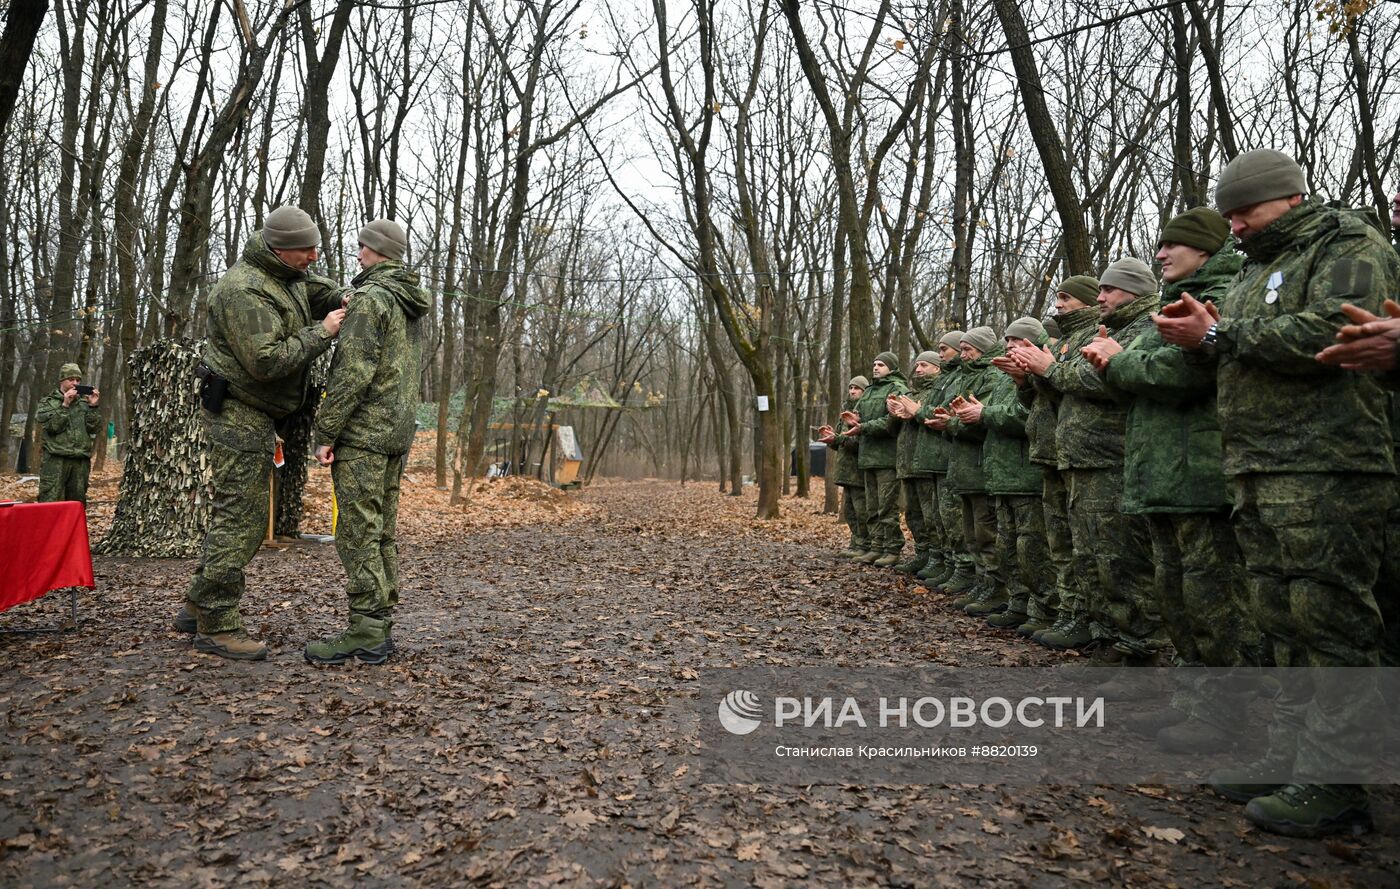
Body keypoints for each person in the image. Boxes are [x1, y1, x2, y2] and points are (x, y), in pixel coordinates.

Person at [1157, 149, 1400, 837]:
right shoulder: (1259, 264)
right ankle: (1291, 753)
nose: (1234, 223)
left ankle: (1338, 774)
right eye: (1228, 212)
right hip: (1259, 465)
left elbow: (1337, 327)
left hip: (1331, 464)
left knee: (1331, 621)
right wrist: (1205, 339)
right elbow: (1230, 345)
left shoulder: (1348, 243)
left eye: (1247, 209)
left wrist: (1222, 334)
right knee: (1280, 617)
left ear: (1290, 197)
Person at [1082, 207, 1251, 750]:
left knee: (1212, 601)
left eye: (1172, 245)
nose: (1160, 254)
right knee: (1176, 597)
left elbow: (1183, 373)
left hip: (1201, 474)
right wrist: (1115, 365)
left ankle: (1222, 715)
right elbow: (1138, 380)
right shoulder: (1174, 303)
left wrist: (1117, 361)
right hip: (1163, 473)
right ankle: (1189, 701)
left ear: (1203, 249)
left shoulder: (1218, 296)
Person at [175, 206, 348, 660]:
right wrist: (323, 332)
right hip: (237, 410)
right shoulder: (243, 290)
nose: (313, 255)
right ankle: (216, 624)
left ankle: (197, 604)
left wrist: (344, 297)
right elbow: (266, 361)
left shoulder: (282, 273)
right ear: (279, 248)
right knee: (243, 519)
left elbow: (311, 288)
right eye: (305, 250)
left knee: (240, 516)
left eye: (314, 247)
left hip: (258, 411)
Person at [1009, 261, 1161, 658]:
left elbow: (1106, 379)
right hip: (1075, 458)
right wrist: (1033, 378)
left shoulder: (1142, 328)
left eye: (1109, 289)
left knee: (1120, 562)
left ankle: (1137, 650)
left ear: (1133, 290)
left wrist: (1050, 369)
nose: (1101, 297)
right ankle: (1105, 638)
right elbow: (1054, 396)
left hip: (1110, 458)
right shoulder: (1085, 336)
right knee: (1088, 556)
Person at [307, 219, 428, 665]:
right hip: (395, 431)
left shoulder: (373, 299)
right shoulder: (406, 300)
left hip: (363, 434)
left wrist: (326, 433)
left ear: (379, 252)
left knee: (357, 531)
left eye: (363, 247)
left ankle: (366, 629)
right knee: (380, 532)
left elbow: (352, 374)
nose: (357, 255)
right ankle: (379, 622)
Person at [995, 278, 1099, 642]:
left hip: (1080, 456)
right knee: (1058, 544)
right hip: (1052, 454)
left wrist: (1045, 371)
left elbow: (1084, 388)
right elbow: (1037, 406)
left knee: (1077, 546)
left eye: (1065, 298)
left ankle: (1078, 616)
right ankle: (1067, 614)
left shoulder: (1081, 341)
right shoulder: (1066, 346)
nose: (1057, 305)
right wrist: (1026, 383)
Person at [968, 318, 1053, 630]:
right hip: (1002, 475)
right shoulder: (1007, 378)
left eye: (1018, 341)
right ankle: (1018, 603)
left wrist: (984, 413)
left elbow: (1025, 417)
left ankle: (1043, 610)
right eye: (1008, 342)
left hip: (1026, 475)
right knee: (1007, 547)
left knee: (1032, 549)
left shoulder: (1038, 374)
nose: (1011, 347)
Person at [935, 326, 1004, 612]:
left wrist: (952, 422)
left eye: (968, 349)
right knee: (972, 535)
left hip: (981, 468)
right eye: (961, 349)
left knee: (987, 534)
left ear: (984, 348)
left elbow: (980, 422)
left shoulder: (992, 375)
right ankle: (981, 583)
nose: (963, 354)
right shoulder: (966, 376)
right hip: (964, 468)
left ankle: (996, 588)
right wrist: (950, 420)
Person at [839, 352, 908, 567]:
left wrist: (863, 426)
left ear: (892, 367)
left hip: (886, 458)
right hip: (867, 457)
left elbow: (891, 423)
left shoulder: (897, 389)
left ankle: (892, 548)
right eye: (874, 364)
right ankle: (876, 547)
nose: (876, 368)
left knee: (887, 508)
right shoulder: (868, 392)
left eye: (881, 365)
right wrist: (853, 421)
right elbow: (859, 417)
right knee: (873, 507)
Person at [913, 332, 967, 587]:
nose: (941, 352)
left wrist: (915, 410)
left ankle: (961, 568)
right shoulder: (947, 379)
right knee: (937, 517)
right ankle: (946, 562)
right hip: (932, 458)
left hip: (946, 458)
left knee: (953, 519)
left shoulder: (956, 379)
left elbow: (941, 412)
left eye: (945, 349)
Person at [887, 353, 942, 575]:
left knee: (931, 517)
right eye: (917, 364)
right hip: (907, 463)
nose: (918, 369)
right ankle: (922, 554)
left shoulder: (937, 392)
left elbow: (934, 420)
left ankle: (937, 559)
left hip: (927, 464)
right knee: (913, 515)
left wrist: (916, 412)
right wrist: (893, 413)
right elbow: (893, 430)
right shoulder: (909, 394)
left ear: (937, 368)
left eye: (924, 365)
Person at [818, 376, 870, 559]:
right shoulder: (846, 412)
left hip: (859, 470)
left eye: (857, 388)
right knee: (849, 511)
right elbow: (841, 442)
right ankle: (856, 542)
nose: (853, 391)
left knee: (861, 510)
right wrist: (831, 438)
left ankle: (865, 543)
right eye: (851, 387)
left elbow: (860, 442)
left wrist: (839, 439)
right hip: (846, 470)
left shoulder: (864, 412)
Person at [35, 362, 100, 504]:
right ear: (61, 380)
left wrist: (93, 406)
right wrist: (65, 405)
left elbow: (94, 429)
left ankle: (73, 527)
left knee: (76, 504)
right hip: (55, 459)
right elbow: (53, 427)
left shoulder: (84, 404)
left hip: (79, 460)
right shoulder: (48, 403)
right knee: (50, 501)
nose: (75, 383)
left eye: (78, 380)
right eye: (71, 380)